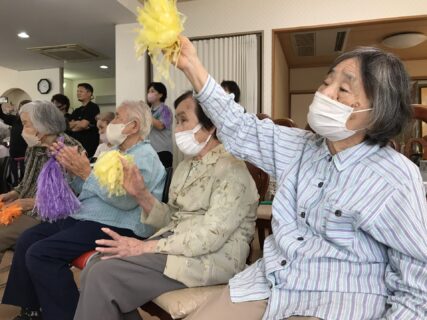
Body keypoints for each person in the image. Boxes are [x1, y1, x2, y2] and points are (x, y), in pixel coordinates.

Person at [173, 37, 427, 320]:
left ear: (378, 112)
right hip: (266, 284)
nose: (325, 93)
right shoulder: (300, 146)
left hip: (335, 302)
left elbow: (418, 281)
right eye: (325, 82)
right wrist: (191, 65)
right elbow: (241, 127)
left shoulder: (395, 177)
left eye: (343, 89)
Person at [73, 91, 259, 320]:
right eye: (177, 122)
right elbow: (173, 218)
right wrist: (142, 195)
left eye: (183, 120)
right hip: (178, 244)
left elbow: (211, 236)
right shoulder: (185, 167)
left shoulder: (232, 170)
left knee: (104, 274)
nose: (177, 129)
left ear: (210, 126)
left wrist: (144, 247)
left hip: (213, 257)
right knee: (97, 265)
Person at [2, 100, 166, 320]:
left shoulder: (145, 157)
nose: (109, 122)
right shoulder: (111, 153)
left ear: (133, 126)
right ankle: (32, 308)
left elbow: (127, 201)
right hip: (86, 216)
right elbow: (86, 190)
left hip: (117, 225)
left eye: (117, 117)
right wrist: (73, 172)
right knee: (28, 239)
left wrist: (87, 173)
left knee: (42, 253)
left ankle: (70, 314)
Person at [0, 101, 81, 264]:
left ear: (43, 124)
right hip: (24, 209)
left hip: (45, 215)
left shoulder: (69, 150)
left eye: (26, 124)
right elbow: (26, 183)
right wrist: (12, 194)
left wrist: (27, 203)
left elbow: (70, 198)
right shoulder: (34, 147)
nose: (23, 130)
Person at [0, 100, 31, 185]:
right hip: (13, 154)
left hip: (25, 155)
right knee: (14, 180)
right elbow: (2, 115)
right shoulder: (15, 119)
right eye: (20, 107)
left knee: (24, 179)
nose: (20, 109)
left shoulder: (32, 122)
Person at [68, 83, 100, 158]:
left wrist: (77, 124)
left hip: (89, 146)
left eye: (81, 91)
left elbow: (83, 125)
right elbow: (69, 126)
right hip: (76, 146)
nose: (78, 93)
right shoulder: (77, 110)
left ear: (89, 93)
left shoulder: (93, 107)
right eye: (77, 91)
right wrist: (78, 123)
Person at [147, 82, 173, 168]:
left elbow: (161, 125)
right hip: (151, 151)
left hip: (163, 151)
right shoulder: (149, 112)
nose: (149, 94)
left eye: (152, 91)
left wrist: (146, 114)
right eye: (148, 91)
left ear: (160, 95)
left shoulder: (165, 110)